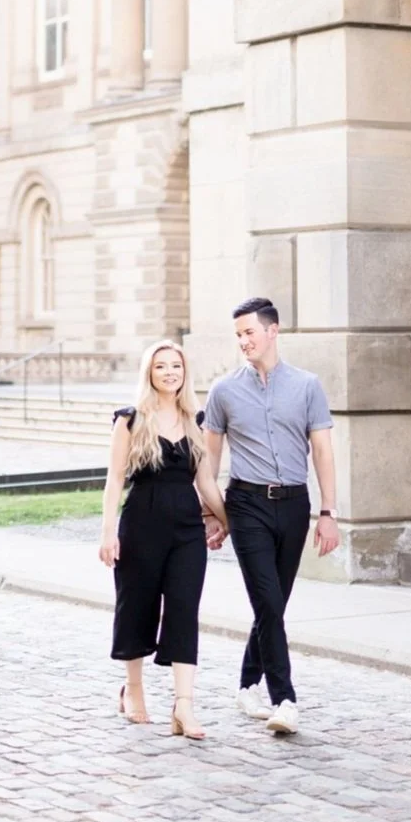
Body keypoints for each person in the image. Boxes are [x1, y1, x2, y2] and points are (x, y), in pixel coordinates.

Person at [202, 297, 340, 735]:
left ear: (273, 330)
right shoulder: (223, 391)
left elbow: (322, 451)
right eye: (238, 334)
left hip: (295, 505)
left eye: (250, 332)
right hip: (246, 505)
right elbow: (208, 458)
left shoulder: (307, 386)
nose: (243, 341)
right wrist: (213, 514)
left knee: (273, 604)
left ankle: (246, 685)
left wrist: (328, 512)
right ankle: (285, 699)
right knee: (266, 599)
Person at [98, 339, 228, 741]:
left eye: (176, 365)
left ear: (184, 372)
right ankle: (132, 689)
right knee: (137, 606)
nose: (170, 372)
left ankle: (183, 705)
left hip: (186, 529)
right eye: (161, 366)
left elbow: (205, 481)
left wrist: (227, 522)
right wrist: (107, 533)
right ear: (149, 373)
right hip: (140, 525)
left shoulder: (196, 421)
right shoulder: (132, 420)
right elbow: (115, 479)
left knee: (184, 610)